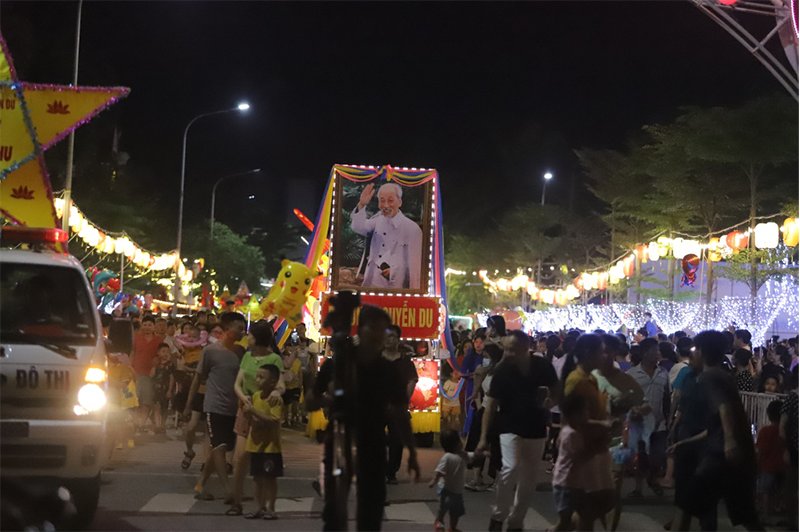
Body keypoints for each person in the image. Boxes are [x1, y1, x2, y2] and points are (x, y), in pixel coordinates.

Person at [307, 305, 420, 532]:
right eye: (374, 328)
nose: (380, 334)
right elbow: (310, 402)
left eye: (384, 330)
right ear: (360, 330)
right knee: (334, 513)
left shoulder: (388, 371)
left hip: (374, 444)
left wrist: (411, 452)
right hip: (339, 441)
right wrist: (332, 398)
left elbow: (400, 412)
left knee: (370, 513)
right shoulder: (337, 364)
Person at [672, 330, 765, 532]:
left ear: (703, 352)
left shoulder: (708, 376)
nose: (691, 354)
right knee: (746, 516)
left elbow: (724, 409)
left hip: (720, 458)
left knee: (687, 504)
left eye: (694, 349)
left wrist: (730, 442)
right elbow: (718, 424)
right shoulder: (724, 375)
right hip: (737, 457)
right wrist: (685, 442)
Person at [478, 330, 559, 532]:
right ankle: (499, 516)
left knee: (529, 479)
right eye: (506, 349)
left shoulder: (542, 366)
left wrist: (550, 402)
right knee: (510, 467)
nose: (509, 354)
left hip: (536, 427)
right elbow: (490, 406)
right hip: (509, 426)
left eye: (513, 350)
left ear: (526, 348)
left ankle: (516, 521)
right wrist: (483, 437)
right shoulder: (503, 371)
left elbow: (558, 392)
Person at [184, 312, 247, 501]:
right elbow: (197, 378)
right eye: (239, 328)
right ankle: (228, 490)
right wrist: (189, 404)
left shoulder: (241, 353)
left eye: (244, 329)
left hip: (234, 407)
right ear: (227, 330)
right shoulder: (210, 351)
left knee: (221, 447)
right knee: (219, 446)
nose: (242, 332)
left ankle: (200, 485)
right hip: (214, 406)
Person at [227, 320, 285, 516]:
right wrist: (245, 400)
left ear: (258, 338)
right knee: (240, 456)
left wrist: (277, 392)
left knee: (264, 464)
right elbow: (237, 384)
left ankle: (267, 506)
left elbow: (280, 383)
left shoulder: (275, 359)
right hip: (245, 410)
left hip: (264, 411)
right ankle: (236, 500)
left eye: (250, 335)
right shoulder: (247, 357)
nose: (247, 338)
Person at [551, 393, 615, 532]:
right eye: (585, 410)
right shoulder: (571, 434)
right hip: (566, 484)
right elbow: (581, 456)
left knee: (585, 515)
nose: (588, 413)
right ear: (574, 414)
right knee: (566, 520)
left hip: (574, 483)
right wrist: (599, 445)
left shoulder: (571, 429)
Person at [350, 182, 423, 289]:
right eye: (382, 200)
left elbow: (415, 267)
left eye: (390, 200)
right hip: (372, 283)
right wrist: (362, 204)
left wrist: (394, 271)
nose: (386, 205)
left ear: (400, 202)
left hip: (396, 287)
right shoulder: (377, 220)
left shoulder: (412, 229)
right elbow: (358, 227)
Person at [626, 337, 670, 498]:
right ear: (644, 353)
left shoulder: (663, 373)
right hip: (639, 422)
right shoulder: (632, 374)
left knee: (658, 456)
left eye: (658, 351)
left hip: (659, 422)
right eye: (654, 351)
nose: (657, 354)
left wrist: (668, 416)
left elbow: (666, 397)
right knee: (640, 455)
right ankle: (638, 488)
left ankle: (652, 478)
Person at [242, 364, 284, 520]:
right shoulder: (255, 397)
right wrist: (248, 414)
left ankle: (271, 508)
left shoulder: (275, 400)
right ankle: (258, 506)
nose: (258, 380)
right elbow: (252, 421)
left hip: (271, 447)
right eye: (257, 377)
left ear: (272, 382)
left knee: (270, 478)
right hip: (255, 444)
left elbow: (274, 421)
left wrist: (254, 412)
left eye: (262, 377)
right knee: (257, 478)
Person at [382, 324, 418, 484]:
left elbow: (412, 380)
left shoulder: (405, 361)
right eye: (387, 336)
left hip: (397, 406)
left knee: (397, 441)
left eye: (393, 337)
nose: (390, 339)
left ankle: (391, 472)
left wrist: (405, 400)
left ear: (398, 340)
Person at [464, 344, 504, 491]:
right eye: (484, 357)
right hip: (484, 410)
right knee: (476, 442)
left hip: (499, 413)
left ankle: (498, 480)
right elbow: (478, 390)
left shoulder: (501, 372)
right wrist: (479, 404)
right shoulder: (485, 371)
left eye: (488, 357)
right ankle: (476, 477)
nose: (485, 359)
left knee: (497, 446)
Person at [429, 429, 473, 532]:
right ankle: (439, 521)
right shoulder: (447, 457)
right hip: (446, 489)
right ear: (457, 443)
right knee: (443, 507)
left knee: (456, 511)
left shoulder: (463, 455)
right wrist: (434, 480)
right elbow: (439, 470)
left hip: (458, 491)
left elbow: (472, 456)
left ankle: (452, 527)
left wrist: (481, 453)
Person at [130, 315, 162, 432]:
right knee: (135, 401)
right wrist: (130, 368)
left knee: (147, 402)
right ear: (141, 326)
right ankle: (136, 423)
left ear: (154, 327)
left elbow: (161, 356)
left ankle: (141, 424)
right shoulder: (136, 338)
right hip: (136, 373)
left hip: (150, 376)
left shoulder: (159, 341)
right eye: (145, 325)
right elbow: (132, 353)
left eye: (150, 325)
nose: (147, 327)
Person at [755, 400, 786, 518]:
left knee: (766, 492)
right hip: (782, 467)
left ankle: (766, 515)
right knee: (778, 492)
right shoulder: (785, 432)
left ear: (768, 414)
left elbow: (760, 451)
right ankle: (777, 512)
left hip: (766, 467)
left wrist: (757, 465)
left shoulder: (764, 431)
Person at [779, 366, 798, 530]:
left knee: (791, 486)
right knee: (791, 486)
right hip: (794, 448)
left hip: (794, 447)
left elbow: (783, 425)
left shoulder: (792, 398)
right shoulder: (793, 397)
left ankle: (792, 519)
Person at [151, 343, 175, 434]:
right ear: (158, 352)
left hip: (166, 388)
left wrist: (169, 390)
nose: (165, 354)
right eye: (163, 351)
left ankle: (162, 424)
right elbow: (151, 375)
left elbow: (172, 378)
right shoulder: (155, 363)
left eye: (167, 352)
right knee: (156, 407)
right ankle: (158, 425)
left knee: (164, 408)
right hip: (156, 388)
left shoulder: (170, 365)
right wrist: (153, 366)